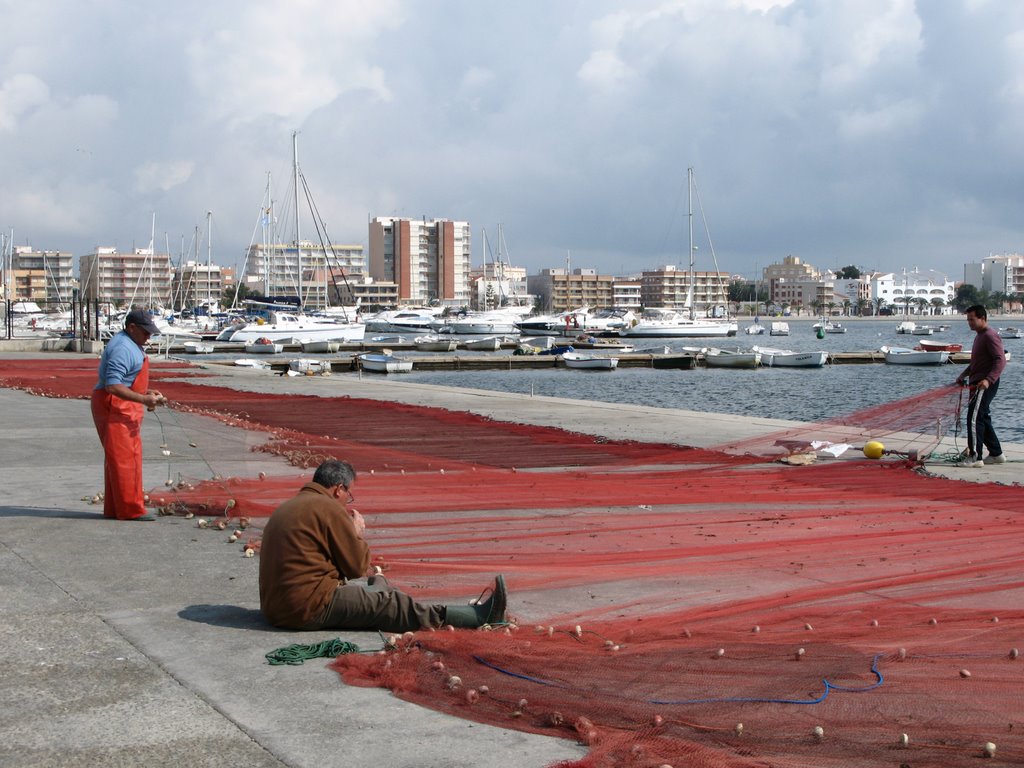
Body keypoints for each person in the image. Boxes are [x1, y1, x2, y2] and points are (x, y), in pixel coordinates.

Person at [259, 459, 506, 633]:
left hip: (277, 608)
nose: (348, 501)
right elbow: (357, 566)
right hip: (306, 609)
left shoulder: (289, 506)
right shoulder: (329, 509)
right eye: (349, 495)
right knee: (393, 605)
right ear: (338, 489)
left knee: (378, 591)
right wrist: (355, 533)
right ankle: (475, 617)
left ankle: (378, 585)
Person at [91, 308, 167, 520]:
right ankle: (130, 510)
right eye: (145, 332)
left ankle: (116, 508)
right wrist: (144, 399)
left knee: (120, 458)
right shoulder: (123, 347)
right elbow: (113, 386)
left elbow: (125, 382)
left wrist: (146, 393)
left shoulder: (130, 343)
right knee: (125, 459)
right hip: (114, 406)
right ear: (131, 327)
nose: (149, 336)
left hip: (122, 404)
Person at [955, 304, 1006, 468]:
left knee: (974, 418)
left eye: (972, 319)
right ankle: (996, 454)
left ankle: (975, 458)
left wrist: (988, 380)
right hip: (976, 382)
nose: (969, 322)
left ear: (982, 318)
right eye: (968, 320)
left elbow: (1000, 360)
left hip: (984, 384)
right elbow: (977, 363)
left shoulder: (990, 335)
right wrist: (964, 374)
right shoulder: (979, 336)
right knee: (983, 417)